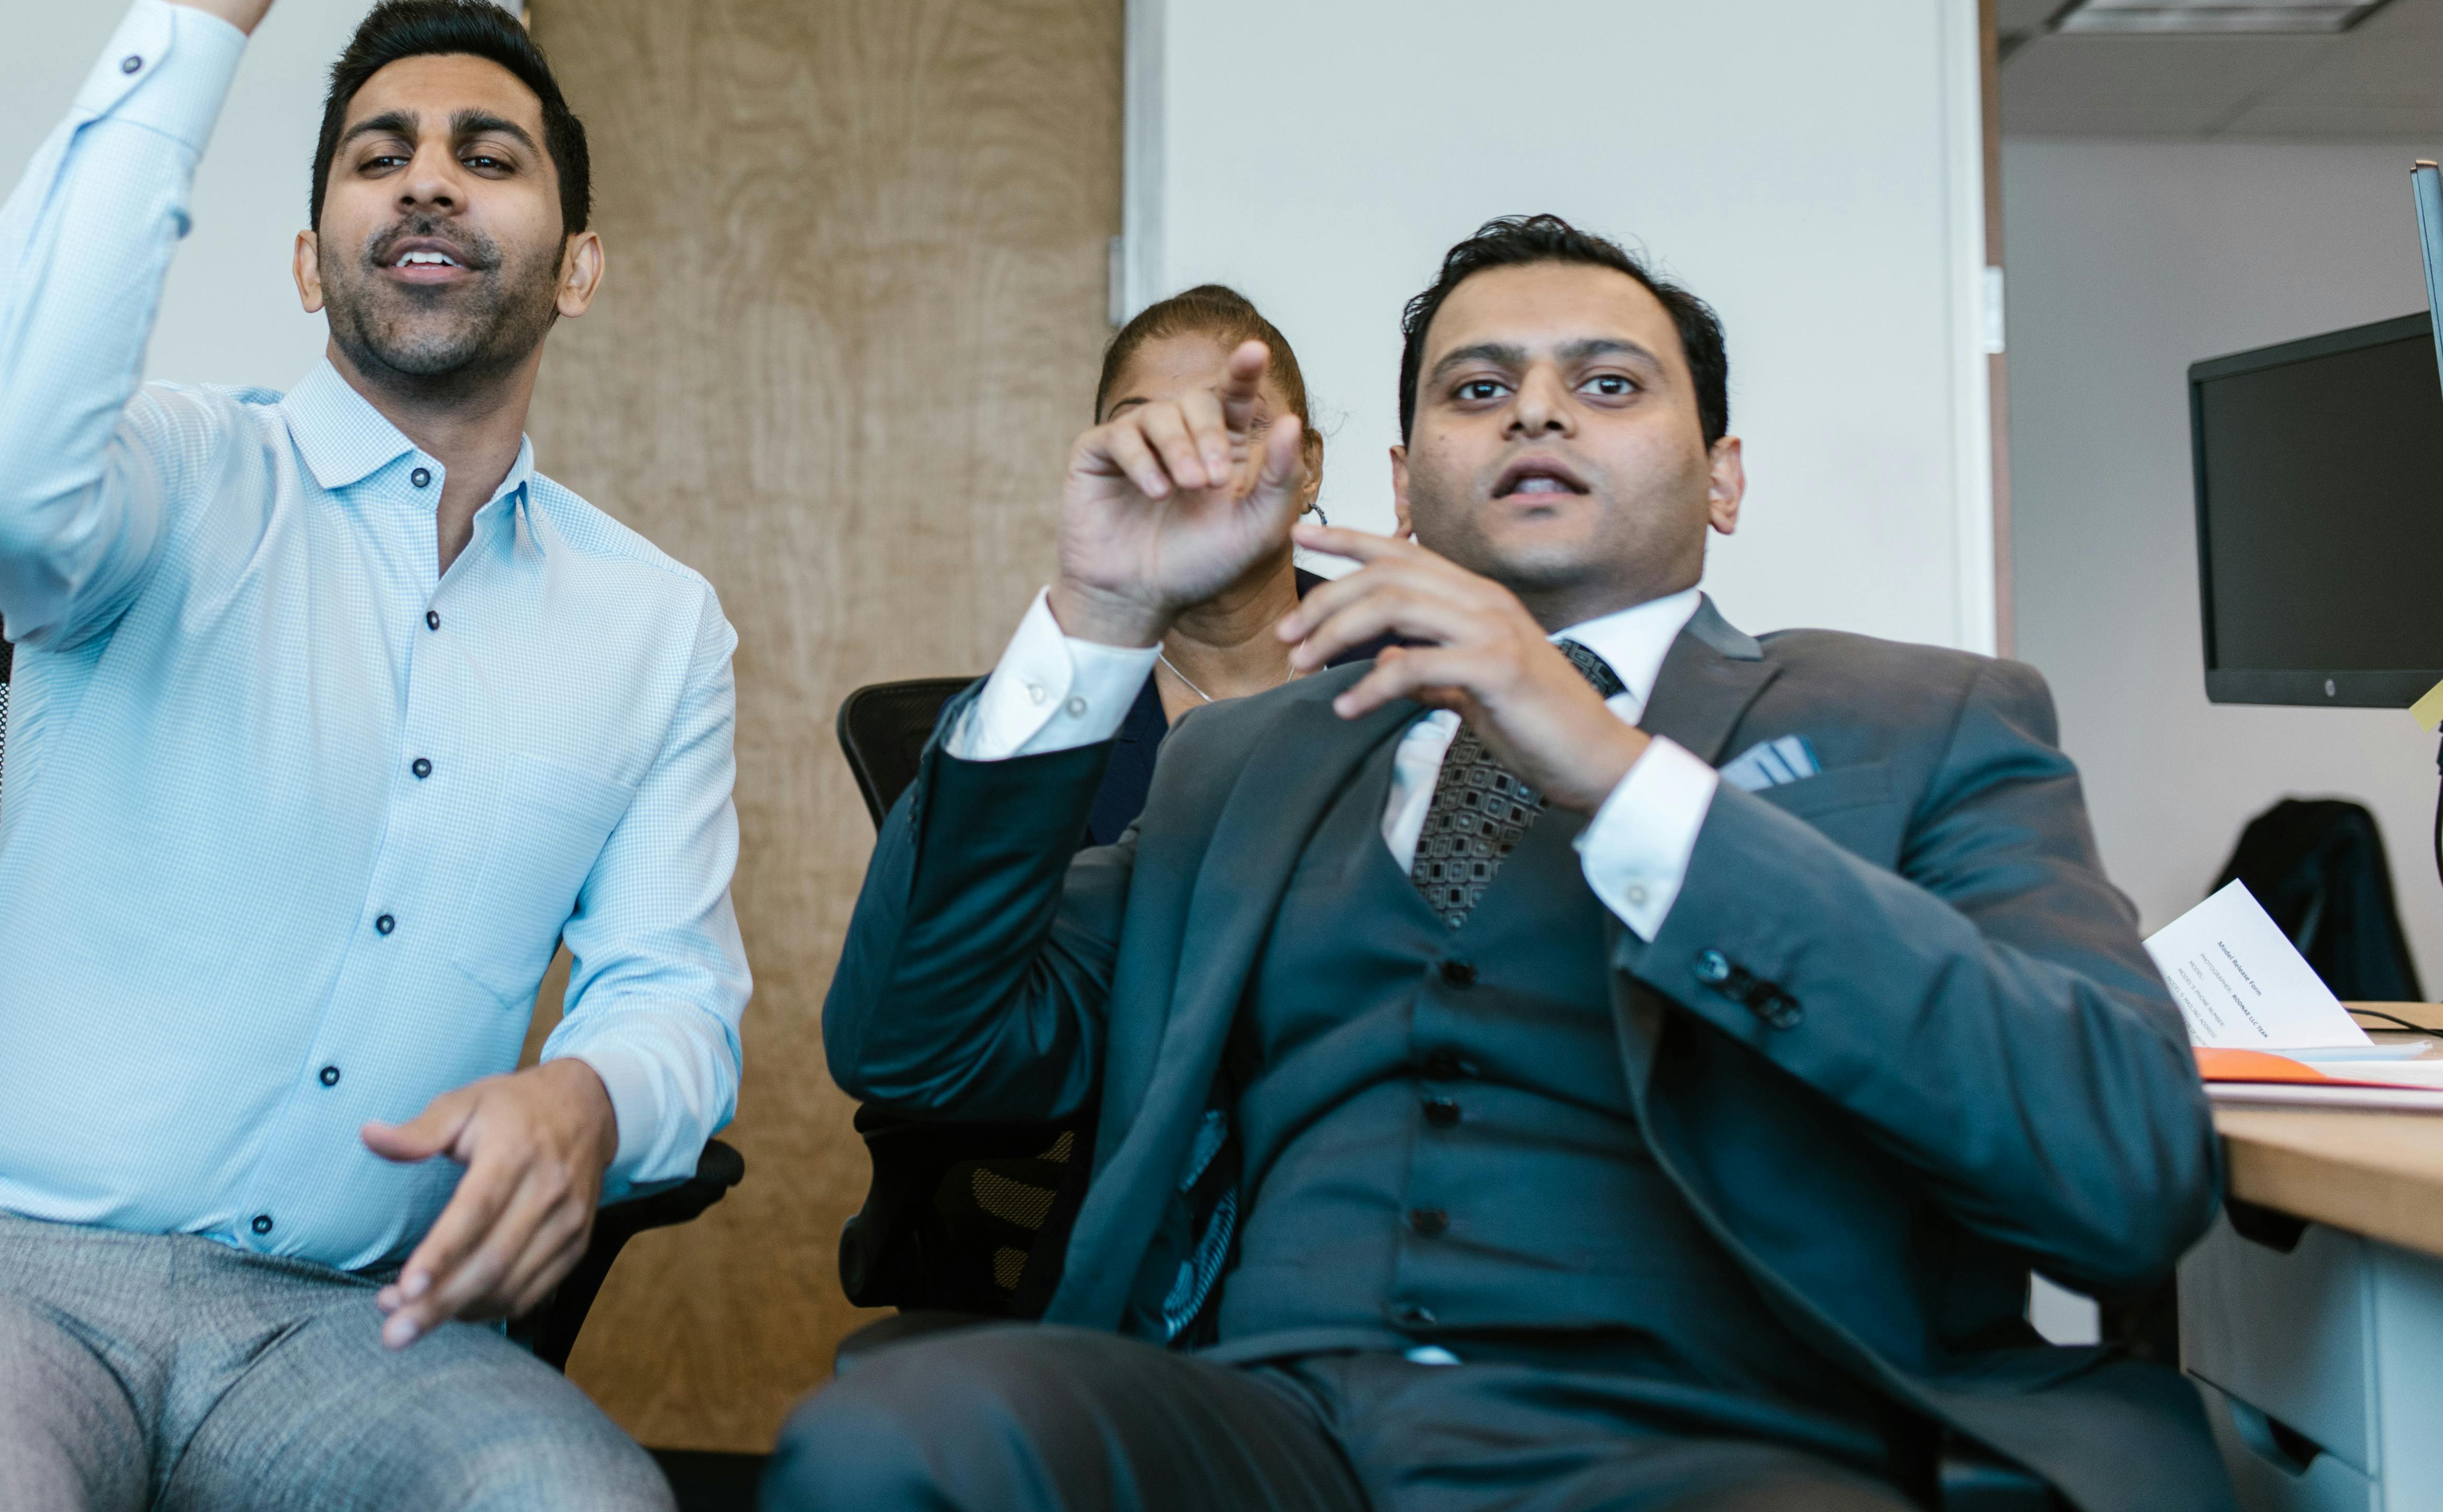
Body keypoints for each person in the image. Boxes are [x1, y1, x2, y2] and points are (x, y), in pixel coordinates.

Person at [774, 215, 2223, 1512]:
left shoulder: (1923, 724)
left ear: (1722, 478)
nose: (1536, 407)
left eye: (1608, 383)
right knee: (896, 1438)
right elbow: (917, 1043)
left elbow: (2122, 1166)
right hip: (1275, 1427)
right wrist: (1098, 613)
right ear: (1406, 484)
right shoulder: (1247, 767)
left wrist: (1608, 766)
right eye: (1479, 388)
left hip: (1724, 1437)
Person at [0, 0, 749, 1512]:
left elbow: (673, 987)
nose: (428, 177)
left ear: (576, 262)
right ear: (310, 258)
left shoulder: (652, 623)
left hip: (354, 1331)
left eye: (488, 154)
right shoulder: (172, 481)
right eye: (377, 154)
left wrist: (595, 1096)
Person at [1080, 284, 1327, 845]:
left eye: (1232, 428)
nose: (1191, 461)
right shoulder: (1035, 728)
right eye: (1146, 431)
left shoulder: (1432, 678)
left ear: (1308, 466)